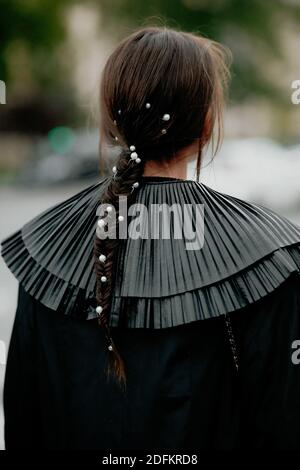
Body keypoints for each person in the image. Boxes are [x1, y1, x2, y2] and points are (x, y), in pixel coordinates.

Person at [1, 26, 300, 451]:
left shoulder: (46, 251)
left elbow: (24, 425)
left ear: (110, 120)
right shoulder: (272, 256)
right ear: (208, 122)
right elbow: (285, 425)